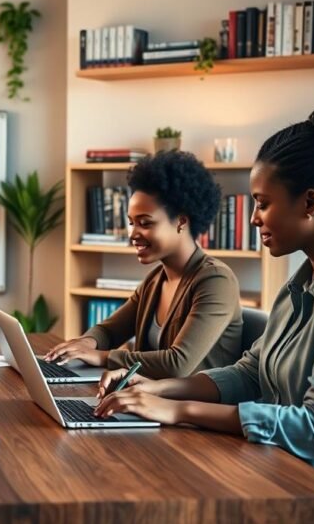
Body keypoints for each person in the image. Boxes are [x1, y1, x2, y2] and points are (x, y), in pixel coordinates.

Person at [94, 95, 314, 524]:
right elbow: (251, 373)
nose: (253, 218)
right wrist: (159, 391)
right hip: (279, 475)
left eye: (262, 202)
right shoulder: (308, 276)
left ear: (310, 203)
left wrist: (179, 411)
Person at [45, 150, 244, 379]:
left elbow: (177, 364)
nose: (133, 234)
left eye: (145, 223)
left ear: (181, 221)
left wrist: (101, 357)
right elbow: (109, 330)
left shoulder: (216, 280)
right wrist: (84, 344)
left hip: (189, 410)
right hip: (148, 400)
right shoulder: (156, 279)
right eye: (131, 223)